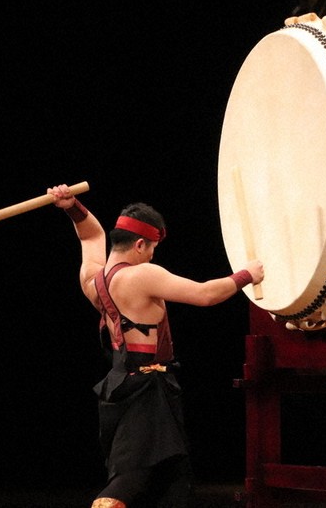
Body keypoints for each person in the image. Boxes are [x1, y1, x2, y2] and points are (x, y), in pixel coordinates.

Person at [47, 184, 264, 508]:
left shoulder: (93, 279)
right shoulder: (142, 275)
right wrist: (248, 274)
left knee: (173, 480)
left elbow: (90, 237)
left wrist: (72, 206)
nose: (151, 255)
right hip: (146, 390)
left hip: (123, 384)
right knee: (131, 479)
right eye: (150, 248)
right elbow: (205, 294)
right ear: (139, 244)